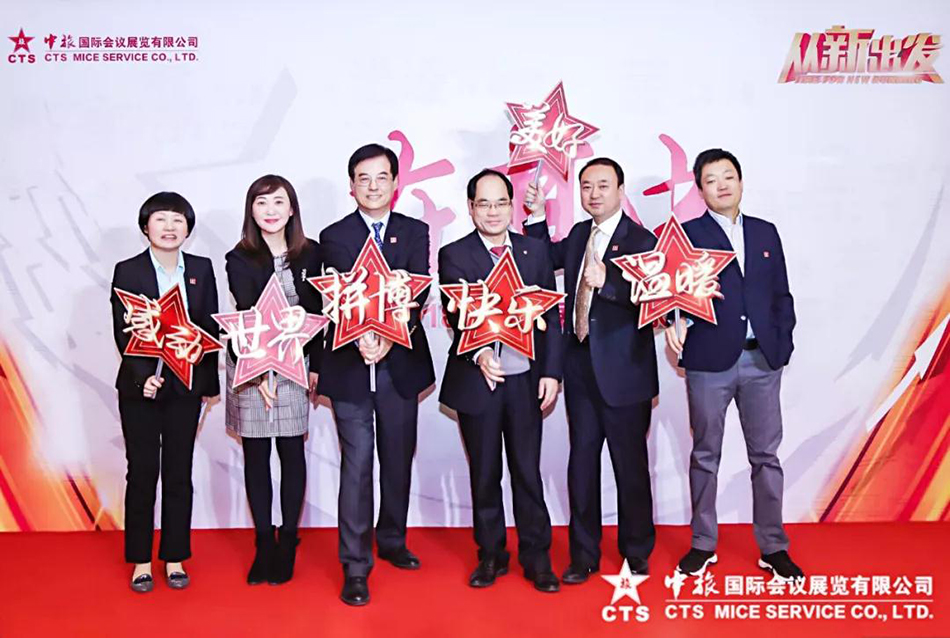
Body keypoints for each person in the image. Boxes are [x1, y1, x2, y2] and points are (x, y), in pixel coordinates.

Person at [665, 149, 802, 580]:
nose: (721, 185)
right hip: (709, 362)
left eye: (728, 176)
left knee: (766, 456)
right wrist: (673, 321)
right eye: (711, 179)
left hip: (762, 361)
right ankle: (703, 543)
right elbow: (669, 293)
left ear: (741, 182)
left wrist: (782, 343)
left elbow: (781, 294)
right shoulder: (687, 235)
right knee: (705, 455)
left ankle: (773, 546)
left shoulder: (765, 232)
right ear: (700, 189)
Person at [524, 157, 659, 580]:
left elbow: (655, 300)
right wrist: (536, 217)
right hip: (579, 367)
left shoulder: (642, 240)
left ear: (620, 190)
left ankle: (636, 550)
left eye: (603, 185)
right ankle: (583, 554)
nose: (594, 193)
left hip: (625, 373)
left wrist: (611, 285)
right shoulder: (580, 234)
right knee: (581, 464)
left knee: (630, 467)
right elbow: (542, 258)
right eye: (586, 186)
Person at [319, 144, 435, 606]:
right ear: (351, 186)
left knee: (397, 457)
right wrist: (362, 338)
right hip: (349, 366)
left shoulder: (414, 231)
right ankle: (355, 565)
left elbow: (417, 291)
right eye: (363, 178)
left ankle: (392, 539)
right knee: (358, 463)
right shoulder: (333, 235)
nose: (372, 186)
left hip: (400, 363)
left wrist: (387, 336)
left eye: (381, 177)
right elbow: (335, 298)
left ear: (395, 183)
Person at [439, 168, 562, 593]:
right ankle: (490, 555)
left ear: (512, 206)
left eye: (501, 203)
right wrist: (478, 354)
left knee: (527, 471)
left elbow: (551, 316)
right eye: (484, 203)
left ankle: (537, 557)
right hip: (479, 383)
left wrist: (551, 372)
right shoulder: (454, 254)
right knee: (485, 473)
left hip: (526, 381)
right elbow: (457, 317)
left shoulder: (534, 251)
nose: (493, 212)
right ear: (471, 208)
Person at [110, 192, 220, 593]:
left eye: (177, 219)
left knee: (178, 472)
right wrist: (143, 378)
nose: (170, 227)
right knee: (142, 472)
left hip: (186, 388)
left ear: (188, 228)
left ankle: (174, 557)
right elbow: (124, 331)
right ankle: (141, 560)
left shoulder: (201, 269)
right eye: (161, 219)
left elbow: (208, 327)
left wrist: (208, 386)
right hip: (141, 390)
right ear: (146, 227)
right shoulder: (128, 270)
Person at [224, 175, 323, 585]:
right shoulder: (239, 257)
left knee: (291, 451)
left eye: (278, 202)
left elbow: (320, 313)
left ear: (291, 208)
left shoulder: (312, 253)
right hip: (251, 365)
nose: (270, 210)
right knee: (256, 454)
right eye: (261, 203)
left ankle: (289, 540)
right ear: (251, 210)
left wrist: (315, 365)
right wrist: (259, 371)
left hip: (296, 364)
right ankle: (264, 541)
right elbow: (248, 315)